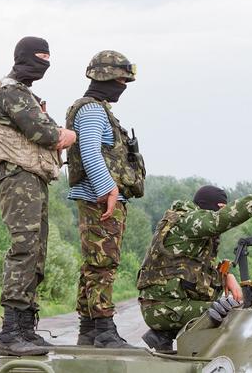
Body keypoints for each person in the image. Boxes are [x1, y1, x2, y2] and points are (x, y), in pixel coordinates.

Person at [0, 36, 76, 356]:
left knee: (36, 252)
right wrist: (66, 135)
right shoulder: (10, 93)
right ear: (22, 58)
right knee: (24, 249)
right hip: (18, 177)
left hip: (32, 179)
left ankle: (25, 327)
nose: (43, 66)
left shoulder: (23, 93)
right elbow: (44, 133)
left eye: (47, 60)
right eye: (39, 59)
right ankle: (11, 332)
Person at [137, 185, 252, 353]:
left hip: (168, 306)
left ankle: (163, 336)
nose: (223, 211)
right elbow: (220, 220)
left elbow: (192, 268)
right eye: (222, 208)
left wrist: (226, 275)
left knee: (226, 307)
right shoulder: (188, 220)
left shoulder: (190, 230)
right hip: (165, 308)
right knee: (233, 316)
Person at [65, 50, 146, 348]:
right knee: (103, 264)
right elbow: (89, 152)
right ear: (106, 76)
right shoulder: (92, 111)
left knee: (94, 263)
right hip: (100, 199)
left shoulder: (95, 109)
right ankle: (103, 330)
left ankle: (89, 329)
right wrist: (107, 190)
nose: (123, 85)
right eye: (122, 79)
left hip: (99, 197)